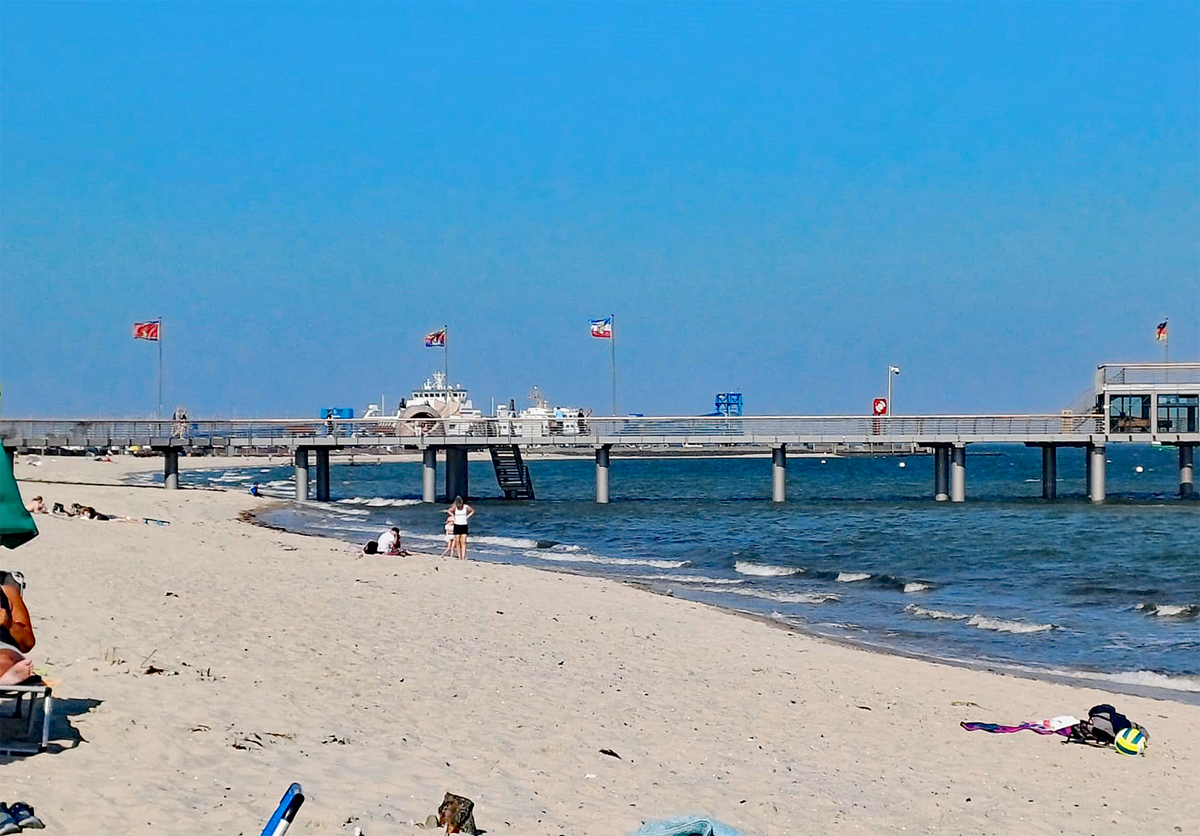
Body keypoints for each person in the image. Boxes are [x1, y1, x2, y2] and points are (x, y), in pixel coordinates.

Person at [0, 572, 36, 685]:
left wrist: (8, 623)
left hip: (3, 647)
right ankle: (4, 680)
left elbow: (27, 643)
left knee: (4, 659)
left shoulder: (6, 592)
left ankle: (6, 677)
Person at [447, 495, 474, 561]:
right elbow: (449, 511)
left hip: (464, 525)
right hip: (457, 525)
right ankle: (459, 556)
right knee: (457, 541)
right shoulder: (455, 507)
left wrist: (467, 517)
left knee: (463, 541)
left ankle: (463, 556)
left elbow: (472, 511)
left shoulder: (466, 507)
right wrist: (453, 516)